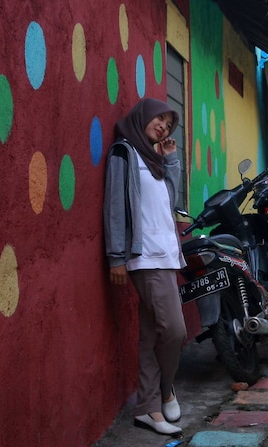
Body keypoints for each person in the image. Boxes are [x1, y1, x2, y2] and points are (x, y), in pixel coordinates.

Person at [103, 98, 187, 437]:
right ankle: (164, 390)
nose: (163, 127)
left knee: (152, 332)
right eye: (159, 120)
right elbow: (114, 205)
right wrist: (116, 257)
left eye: (168, 124)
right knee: (176, 331)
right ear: (143, 117)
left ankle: (148, 409)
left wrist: (172, 160)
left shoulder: (153, 159)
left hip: (165, 254)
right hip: (144, 257)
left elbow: (173, 201)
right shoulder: (124, 152)